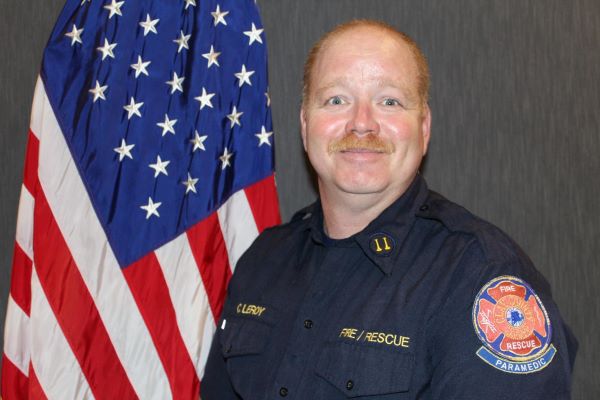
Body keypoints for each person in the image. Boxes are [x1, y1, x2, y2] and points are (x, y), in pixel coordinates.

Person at [202, 19, 577, 399]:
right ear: (304, 124)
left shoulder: (480, 276)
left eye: (389, 101)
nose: (361, 123)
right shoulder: (264, 260)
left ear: (424, 127)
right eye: (336, 100)